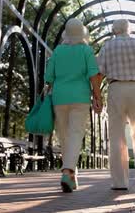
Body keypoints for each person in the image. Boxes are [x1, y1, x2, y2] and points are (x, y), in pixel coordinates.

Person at [96, 19, 135, 190]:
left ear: (114, 30)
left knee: (116, 136)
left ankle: (119, 182)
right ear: (129, 29)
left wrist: (97, 96)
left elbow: (99, 74)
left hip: (116, 88)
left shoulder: (107, 46)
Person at [44, 18, 102, 193]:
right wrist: (98, 97)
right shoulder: (86, 50)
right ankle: (68, 171)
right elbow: (94, 75)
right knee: (76, 134)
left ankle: (71, 177)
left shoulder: (58, 51)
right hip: (80, 98)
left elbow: (49, 77)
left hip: (59, 98)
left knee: (64, 137)